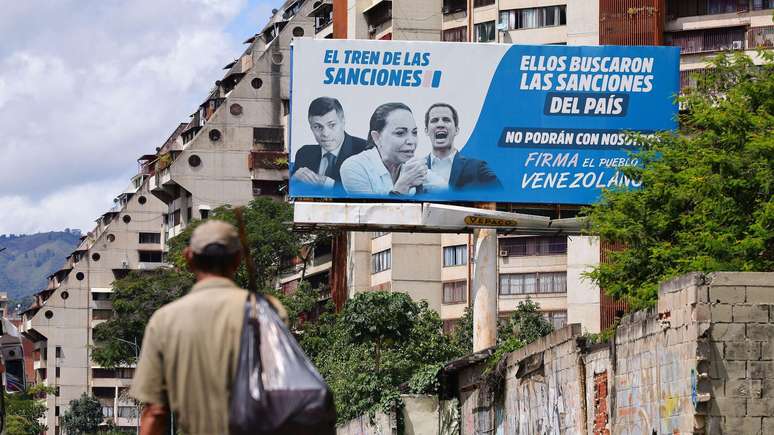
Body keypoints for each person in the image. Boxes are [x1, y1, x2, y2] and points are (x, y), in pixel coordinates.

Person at [130, 220, 287, 435]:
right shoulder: (267, 310)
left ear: (188, 257)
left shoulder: (165, 321)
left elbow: (155, 412)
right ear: (238, 259)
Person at [340, 102, 427, 196]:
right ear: (377, 138)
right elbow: (371, 210)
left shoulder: (413, 167)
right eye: (400, 133)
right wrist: (403, 186)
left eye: (414, 132)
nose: (411, 141)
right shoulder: (354, 167)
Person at [422, 103, 502, 191]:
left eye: (446, 120)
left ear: (456, 130)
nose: (440, 124)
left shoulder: (477, 168)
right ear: (426, 131)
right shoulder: (415, 168)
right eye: (434, 120)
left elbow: (501, 194)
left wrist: (447, 191)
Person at [292, 97, 368, 189]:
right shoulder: (304, 153)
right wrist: (294, 180)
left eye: (332, 125)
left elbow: (372, 191)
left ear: (343, 122)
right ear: (311, 127)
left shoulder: (365, 150)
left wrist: (328, 184)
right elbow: (294, 191)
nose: (325, 134)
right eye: (317, 127)